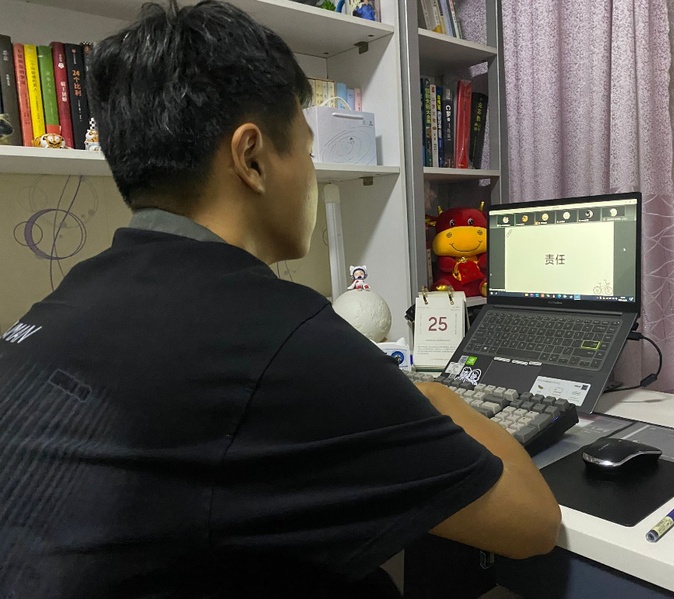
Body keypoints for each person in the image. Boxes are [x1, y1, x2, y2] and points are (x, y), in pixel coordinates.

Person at [0, 1, 560, 597]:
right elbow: (531, 523)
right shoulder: (281, 337)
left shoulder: (60, 304)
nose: (312, 174)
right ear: (252, 158)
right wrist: (436, 397)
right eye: (309, 152)